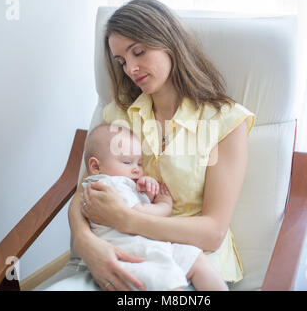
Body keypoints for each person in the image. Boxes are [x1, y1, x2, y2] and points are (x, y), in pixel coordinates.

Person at [38, 0, 255, 291]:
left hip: (192, 265)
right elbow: (86, 192)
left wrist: (127, 219)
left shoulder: (225, 121)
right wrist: (85, 242)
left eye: (138, 52)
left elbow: (213, 231)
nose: (131, 69)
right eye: (122, 61)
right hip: (121, 254)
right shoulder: (116, 115)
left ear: (169, 43)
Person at [79, 123, 228, 291]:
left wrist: (147, 193)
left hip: (148, 243)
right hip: (131, 252)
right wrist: (164, 204)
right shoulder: (109, 184)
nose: (136, 169)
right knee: (167, 277)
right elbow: (139, 213)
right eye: (127, 162)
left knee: (193, 257)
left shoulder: (117, 183)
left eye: (140, 164)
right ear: (96, 167)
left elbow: (134, 207)